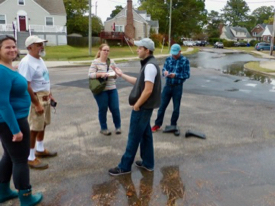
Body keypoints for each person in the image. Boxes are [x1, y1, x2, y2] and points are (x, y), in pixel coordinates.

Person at [108, 38, 161, 176]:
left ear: (147, 50)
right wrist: (121, 75)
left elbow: (148, 90)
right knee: (146, 135)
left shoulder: (149, 66)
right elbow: (140, 82)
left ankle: (124, 166)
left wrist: (137, 105)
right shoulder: (149, 64)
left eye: (139, 48)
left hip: (142, 108)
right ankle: (148, 163)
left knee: (133, 137)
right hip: (146, 107)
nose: (137, 50)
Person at [0, 35, 42, 205]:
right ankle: (26, 197)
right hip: (13, 121)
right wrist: (16, 130)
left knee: (9, 157)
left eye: (14, 46)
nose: (12, 50)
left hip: (12, 120)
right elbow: (3, 104)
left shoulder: (7, 68)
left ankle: (3, 192)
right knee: (20, 160)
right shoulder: (2, 72)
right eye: (7, 47)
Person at [18, 35, 57, 170]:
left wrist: (49, 93)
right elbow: (26, 85)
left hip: (44, 96)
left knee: (43, 124)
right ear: (30, 47)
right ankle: (30, 157)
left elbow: (45, 78)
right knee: (34, 128)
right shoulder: (27, 62)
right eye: (39, 44)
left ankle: (40, 149)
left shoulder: (39, 60)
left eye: (42, 44)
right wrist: (36, 103)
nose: (42, 47)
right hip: (36, 98)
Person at [151, 44, 190, 132]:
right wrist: (165, 72)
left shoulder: (185, 61)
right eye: (172, 53)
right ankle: (157, 124)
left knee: (176, 108)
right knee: (161, 106)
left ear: (180, 51)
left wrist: (176, 75)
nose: (174, 55)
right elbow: (163, 69)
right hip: (167, 86)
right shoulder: (168, 59)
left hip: (177, 87)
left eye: (175, 53)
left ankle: (173, 125)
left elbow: (187, 75)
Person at [88, 44, 121, 136]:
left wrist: (114, 74)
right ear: (100, 51)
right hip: (101, 90)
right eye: (104, 50)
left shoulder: (111, 62)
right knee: (103, 109)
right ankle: (103, 128)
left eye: (108, 50)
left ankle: (118, 127)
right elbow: (90, 75)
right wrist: (101, 74)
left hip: (112, 89)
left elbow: (117, 74)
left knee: (115, 108)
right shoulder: (95, 62)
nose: (106, 52)